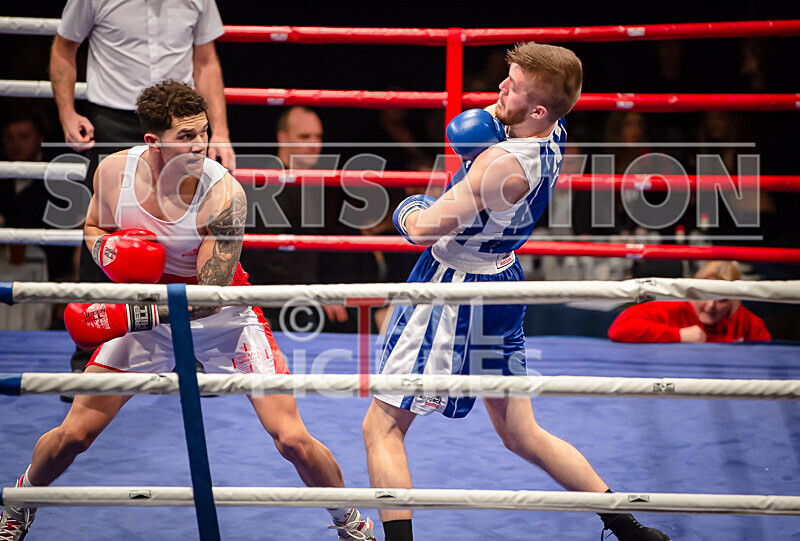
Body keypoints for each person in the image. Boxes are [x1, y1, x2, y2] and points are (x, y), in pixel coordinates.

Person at [0, 81, 374, 541]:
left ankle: (349, 519)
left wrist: (132, 315)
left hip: (223, 319)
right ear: (153, 141)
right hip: (147, 312)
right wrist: (113, 254)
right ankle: (20, 500)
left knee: (292, 438)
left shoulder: (224, 195)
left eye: (204, 132)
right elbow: (94, 226)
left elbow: (206, 297)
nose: (200, 145)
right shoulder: (114, 172)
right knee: (75, 434)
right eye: (186, 136)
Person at [361, 42, 671, 541]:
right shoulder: (552, 130)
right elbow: (506, 114)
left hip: (453, 290)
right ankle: (627, 526)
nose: (500, 88)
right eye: (506, 77)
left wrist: (407, 206)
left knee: (383, 426)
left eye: (513, 85)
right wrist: (505, 105)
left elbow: (421, 231)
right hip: (501, 280)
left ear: (539, 108)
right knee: (521, 434)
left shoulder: (500, 165)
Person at [51, 0, 236, 379]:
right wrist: (66, 112)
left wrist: (217, 131)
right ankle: (89, 357)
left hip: (180, 122)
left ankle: (186, 350)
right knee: (107, 234)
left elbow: (205, 61)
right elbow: (64, 46)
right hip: (113, 119)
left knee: (187, 237)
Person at [239, 106, 349, 330]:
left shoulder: (315, 183)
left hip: (301, 293)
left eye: (318, 137)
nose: (314, 144)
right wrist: (313, 290)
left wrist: (322, 288)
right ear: (283, 137)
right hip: (273, 300)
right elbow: (266, 255)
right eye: (304, 137)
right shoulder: (266, 183)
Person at [608, 260, 770, 343]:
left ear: (734, 302)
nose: (711, 305)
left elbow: (765, 355)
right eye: (705, 296)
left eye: (722, 300)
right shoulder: (673, 308)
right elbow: (619, 329)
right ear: (694, 291)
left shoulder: (745, 322)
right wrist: (679, 335)